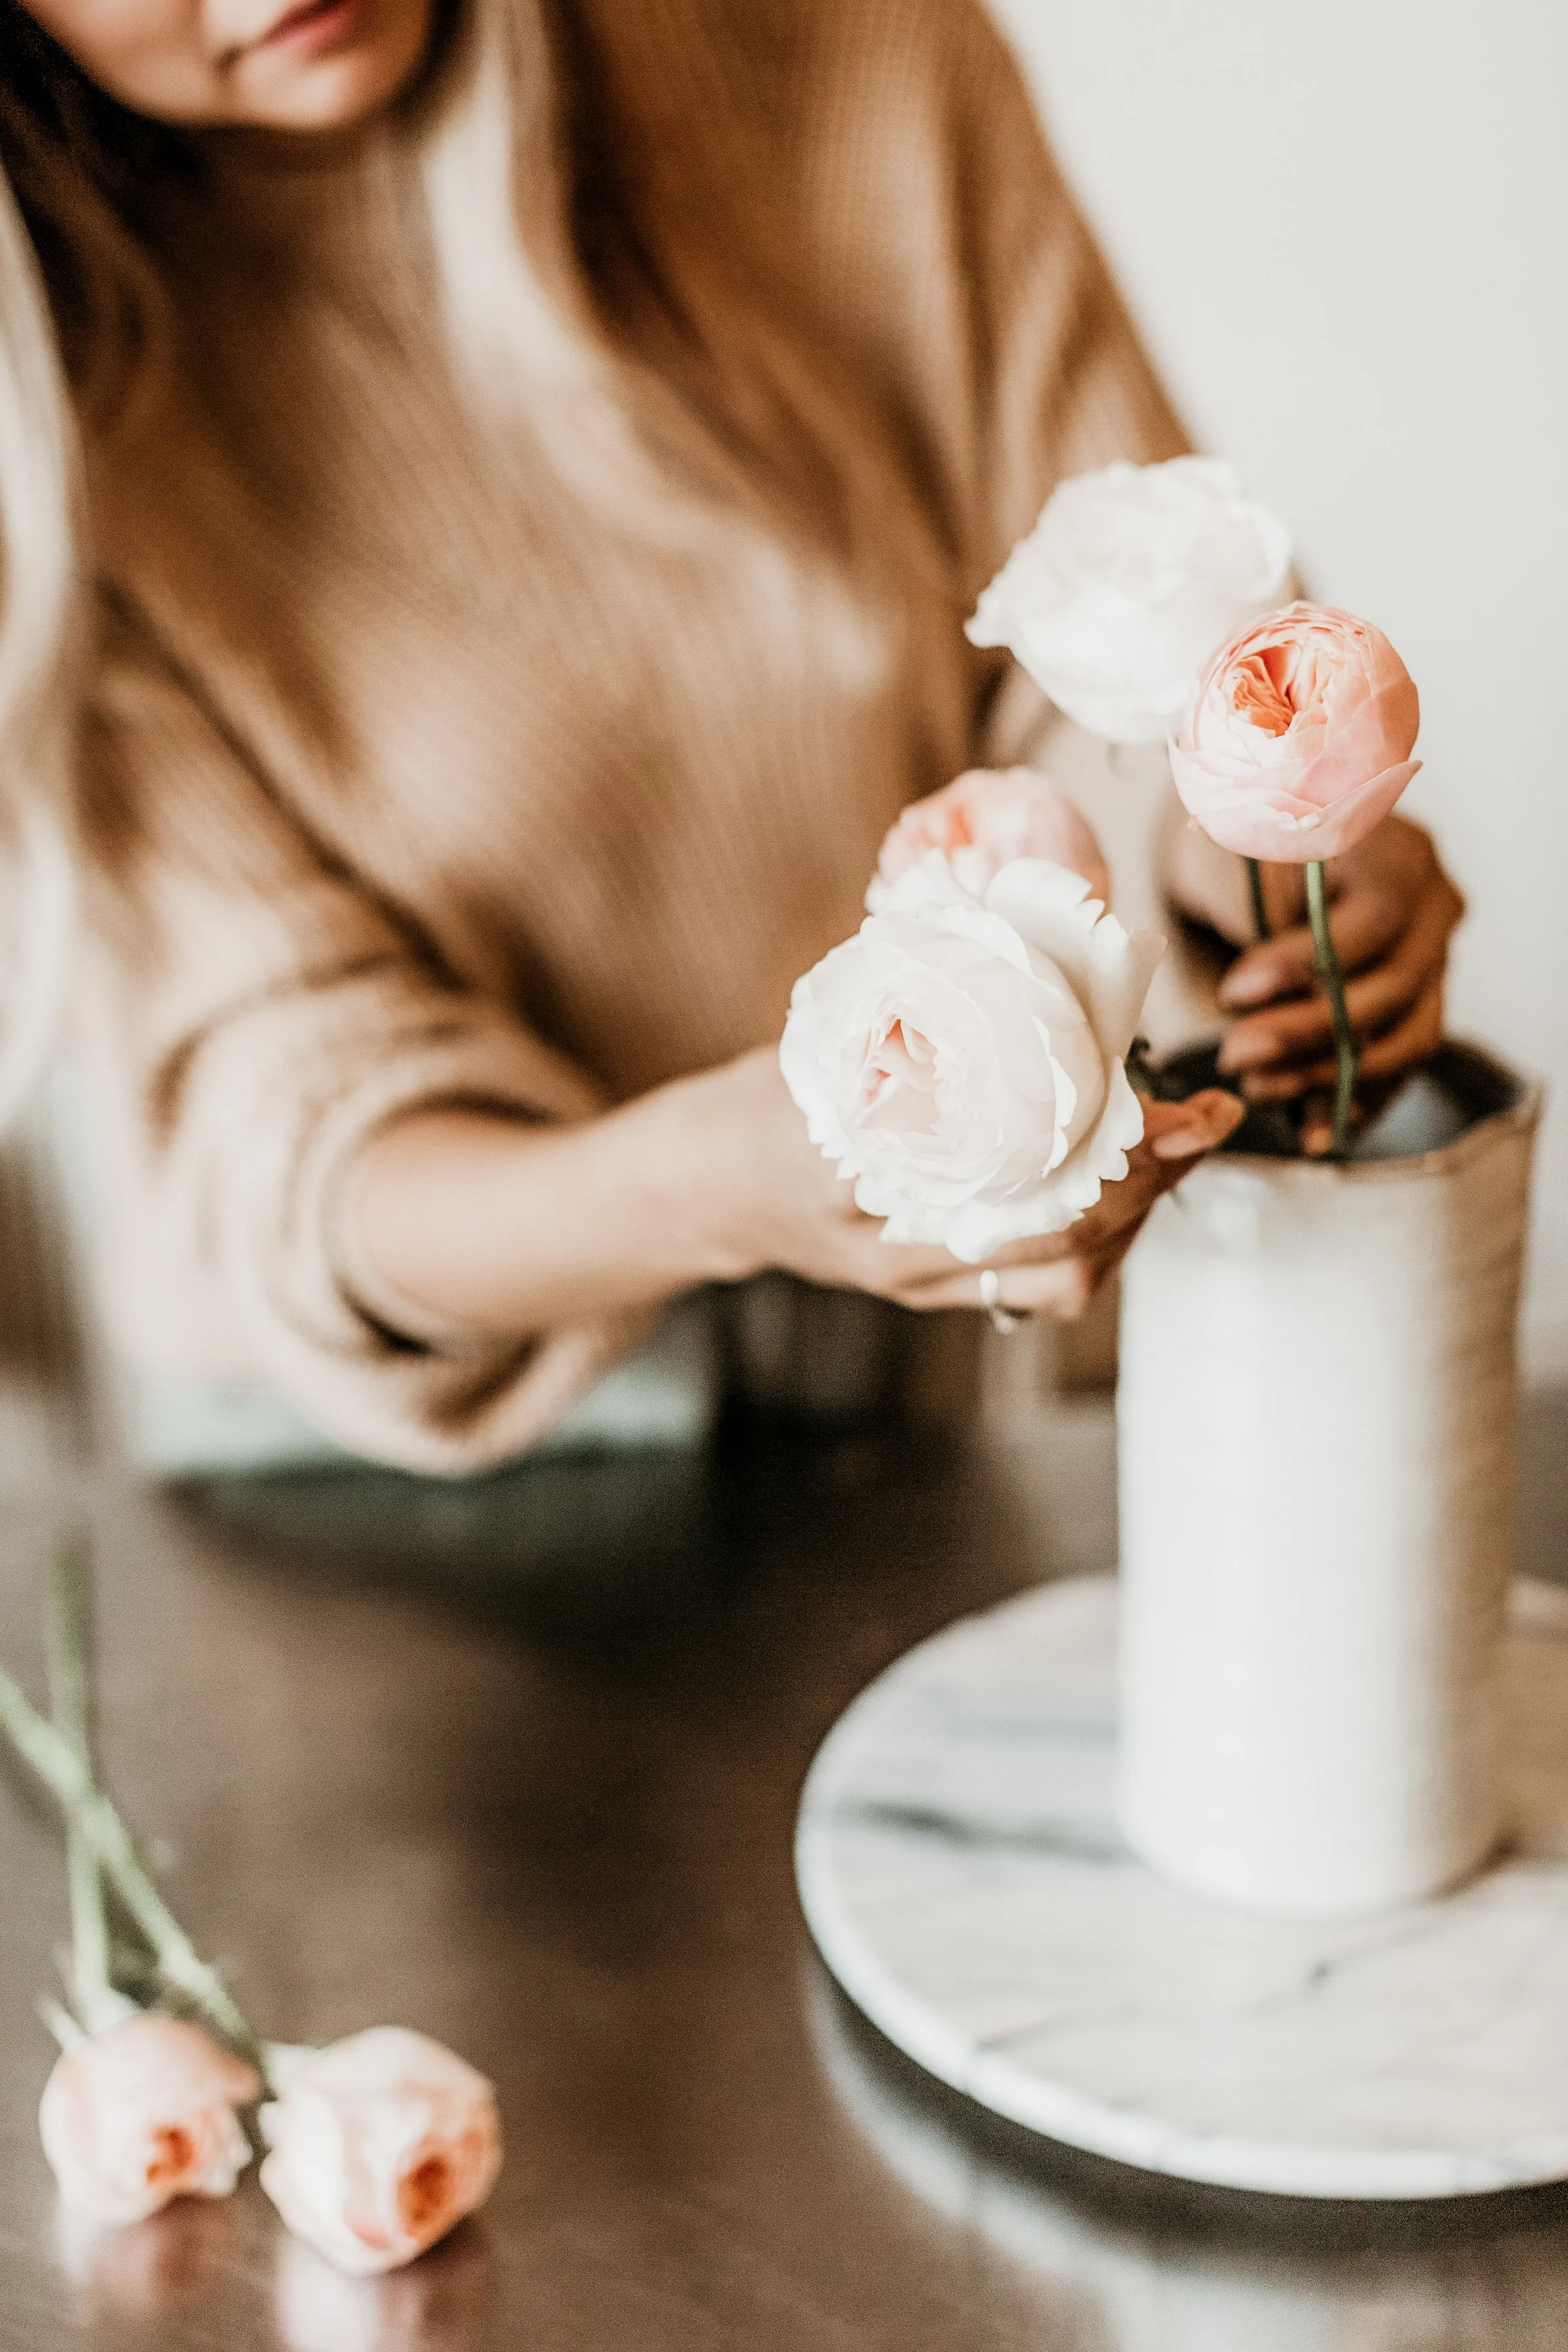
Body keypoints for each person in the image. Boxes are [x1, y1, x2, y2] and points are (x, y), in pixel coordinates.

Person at [0, 0, 1463, 1472]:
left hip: (959, 1390)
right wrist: (709, 1189)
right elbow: (286, 1124)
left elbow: (1117, 596)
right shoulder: (44, 410)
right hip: (404, 1468)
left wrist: (1254, 843)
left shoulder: (850, 50)